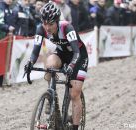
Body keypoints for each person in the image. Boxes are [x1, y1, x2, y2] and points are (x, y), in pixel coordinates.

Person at [24, 1, 88, 130]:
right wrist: (30, 63)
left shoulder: (67, 28)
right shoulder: (40, 29)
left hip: (78, 56)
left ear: (57, 21)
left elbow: (76, 52)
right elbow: (35, 51)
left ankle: (75, 127)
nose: (47, 28)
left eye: (51, 24)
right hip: (62, 53)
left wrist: (71, 66)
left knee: (74, 93)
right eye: (45, 23)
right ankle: (51, 96)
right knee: (50, 64)